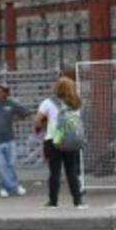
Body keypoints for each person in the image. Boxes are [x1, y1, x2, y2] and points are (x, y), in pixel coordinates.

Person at [35, 77, 86, 209]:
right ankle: (78, 201)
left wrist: (41, 127)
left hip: (54, 140)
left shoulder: (47, 102)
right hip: (71, 140)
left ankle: (53, 201)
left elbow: (38, 120)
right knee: (72, 172)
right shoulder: (76, 103)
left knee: (55, 172)